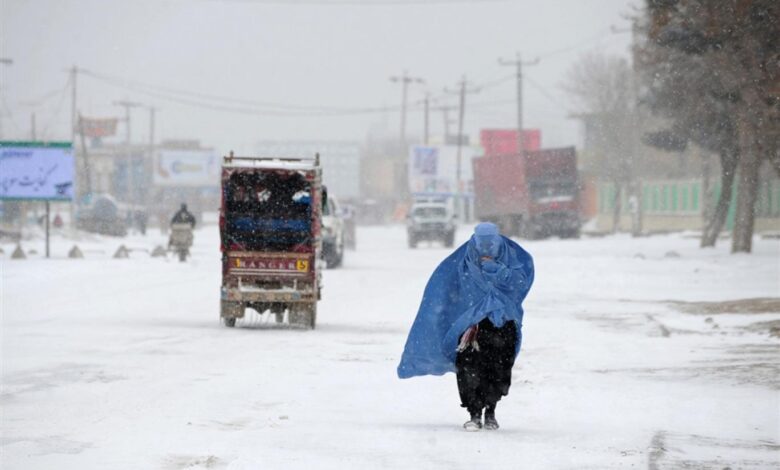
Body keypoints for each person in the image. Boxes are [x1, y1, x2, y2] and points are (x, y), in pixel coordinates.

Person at [397, 222, 534, 431]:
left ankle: (491, 412)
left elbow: (520, 283)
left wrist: (499, 272)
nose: (486, 249)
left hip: (503, 323)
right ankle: (474, 413)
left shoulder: (511, 257)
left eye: (491, 244)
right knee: (470, 368)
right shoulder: (463, 261)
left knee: (499, 369)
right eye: (482, 244)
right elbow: (445, 287)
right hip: (471, 326)